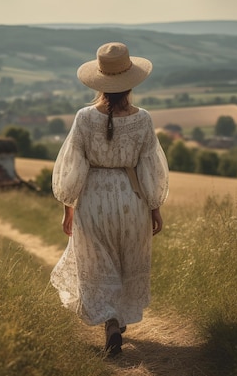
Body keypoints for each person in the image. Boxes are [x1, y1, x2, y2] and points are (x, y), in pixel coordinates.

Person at [50, 42, 169, 356]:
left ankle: (111, 322)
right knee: (126, 261)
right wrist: (155, 208)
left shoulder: (84, 118)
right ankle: (118, 317)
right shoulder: (143, 119)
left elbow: (72, 168)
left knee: (98, 262)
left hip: (93, 201)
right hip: (132, 201)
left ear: (99, 82)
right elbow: (149, 169)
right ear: (130, 83)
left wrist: (68, 210)